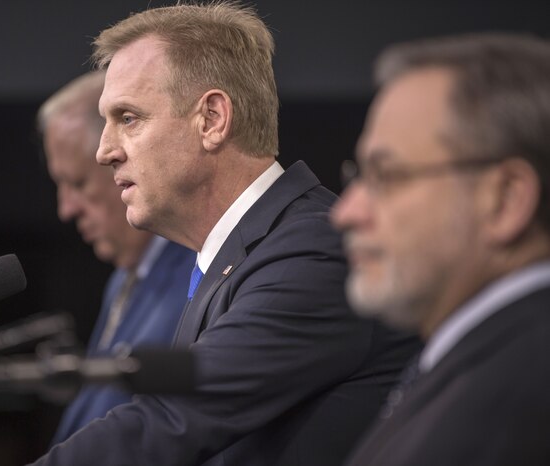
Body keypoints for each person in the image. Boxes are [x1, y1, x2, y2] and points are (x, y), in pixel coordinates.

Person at [30, 3, 418, 465]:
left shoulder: (314, 253)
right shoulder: (230, 258)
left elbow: (172, 419)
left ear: (212, 119)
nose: (104, 151)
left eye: (128, 118)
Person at [331, 33, 550, 466]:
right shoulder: (480, 359)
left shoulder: (520, 397)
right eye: (359, 175)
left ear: (505, 199)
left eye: (387, 176)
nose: (345, 213)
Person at [37, 70, 196, 443]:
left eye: (77, 183)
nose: (66, 209)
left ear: (121, 163)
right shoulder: (122, 280)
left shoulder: (195, 274)